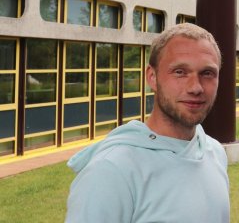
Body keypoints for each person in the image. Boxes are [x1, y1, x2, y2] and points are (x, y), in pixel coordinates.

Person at [65, 23, 229, 222]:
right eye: (179, 72)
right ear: (152, 77)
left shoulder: (214, 153)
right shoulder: (111, 170)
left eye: (207, 73)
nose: (196, 87)